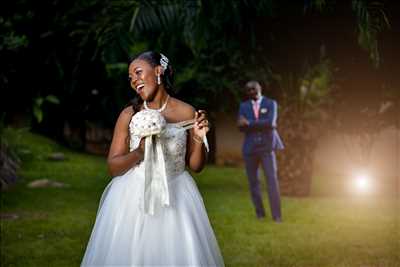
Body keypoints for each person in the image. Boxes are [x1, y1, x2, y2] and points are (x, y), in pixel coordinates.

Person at [81, 51, 224, 266]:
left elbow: (195, 166)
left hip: (177, 194)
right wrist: (139, 152)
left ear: (158, 71)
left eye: (138, 73)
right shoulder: (129, 114)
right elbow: (113, 167)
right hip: (133, 196)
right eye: (130, 78)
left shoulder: (186, 112)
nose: (134, 81)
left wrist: (198, 136)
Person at [237, 80, 284, 222]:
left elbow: (271, 123)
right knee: (253, 182)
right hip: (249, 149)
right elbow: (240, 126)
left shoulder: (271, 104)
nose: (252, 91)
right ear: (247, 93)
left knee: (272, 181)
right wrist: (257, 124)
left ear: (260, 88)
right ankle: (260, 214)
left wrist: (250, 123)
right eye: (248, 90)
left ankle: (277, 216)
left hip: (267, 148)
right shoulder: (243, 106)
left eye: (254, 88)